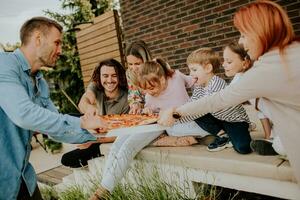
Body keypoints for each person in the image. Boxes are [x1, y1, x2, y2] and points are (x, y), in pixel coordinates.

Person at [158, 0, 300, 185]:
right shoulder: (291, 53)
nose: (241, 42)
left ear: (261, 30)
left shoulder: (267, 68)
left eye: (243, 34)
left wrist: (176, 112)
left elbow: (218, 100)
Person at [0, 17, 107, 199]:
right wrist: (81, 122)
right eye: (57, 43)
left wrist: (96, 131)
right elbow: (24, 114)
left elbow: (54, 128)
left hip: (24, 178)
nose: (60, 50)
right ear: (38, 38)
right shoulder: (4, 65)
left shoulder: (40, 82)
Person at [89, 58, 197, 199]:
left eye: (151, 88)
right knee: (118, 143)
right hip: (154, 121)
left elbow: (193, 81)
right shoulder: (149, 96)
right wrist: (145, 110)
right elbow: (148, 109)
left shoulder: (176, 77)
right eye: (145, 89)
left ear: (163, 79)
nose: (148, 92)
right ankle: (104, 185)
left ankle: (101, 194)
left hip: (168, 124)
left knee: (129, 146)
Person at [181, 47, 252, 153]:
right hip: (218, 118)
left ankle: (244, 128)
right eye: (190, 70)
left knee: (243, 148)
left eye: (194, 70)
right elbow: (192, 104)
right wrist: (177, 114)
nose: (190, 74)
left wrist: (177, 117)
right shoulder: (199, 86)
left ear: (208, 68)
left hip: (234, 120)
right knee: (194, 111)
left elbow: (204, 106)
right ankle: (223, 135)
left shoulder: (217, 84)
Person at [61, 58, 129, 168]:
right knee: (67, 118)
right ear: (100, 76)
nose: (109, 80)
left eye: (114, 75)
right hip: (95, 128)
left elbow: (123, 133)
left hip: (108, 137)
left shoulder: (126, 99)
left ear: (120, 76)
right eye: (105, 76)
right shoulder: (96, 86)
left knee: (68, 159)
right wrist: (89, 107)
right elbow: (84, 101)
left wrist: (92, 139)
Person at [223, 42, 285, 156]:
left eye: (229, 62)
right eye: (224, 61)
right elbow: (260, 110)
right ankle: (273, 143)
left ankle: (277, 146)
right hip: (279, 123)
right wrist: (268, 136)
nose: (223, 65)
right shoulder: (238, 77)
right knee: (277, 139)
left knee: (282, 144)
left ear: (245, 62)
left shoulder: (256, 77)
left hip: (287, 118)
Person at [125, 40, 152, 114]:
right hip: (145, 114)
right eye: (130, 64)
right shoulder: (129, 74)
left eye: (137, 63)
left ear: (145, 60)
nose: (134, 68)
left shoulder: (156, 70)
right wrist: (136, 104)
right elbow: (134, 95)